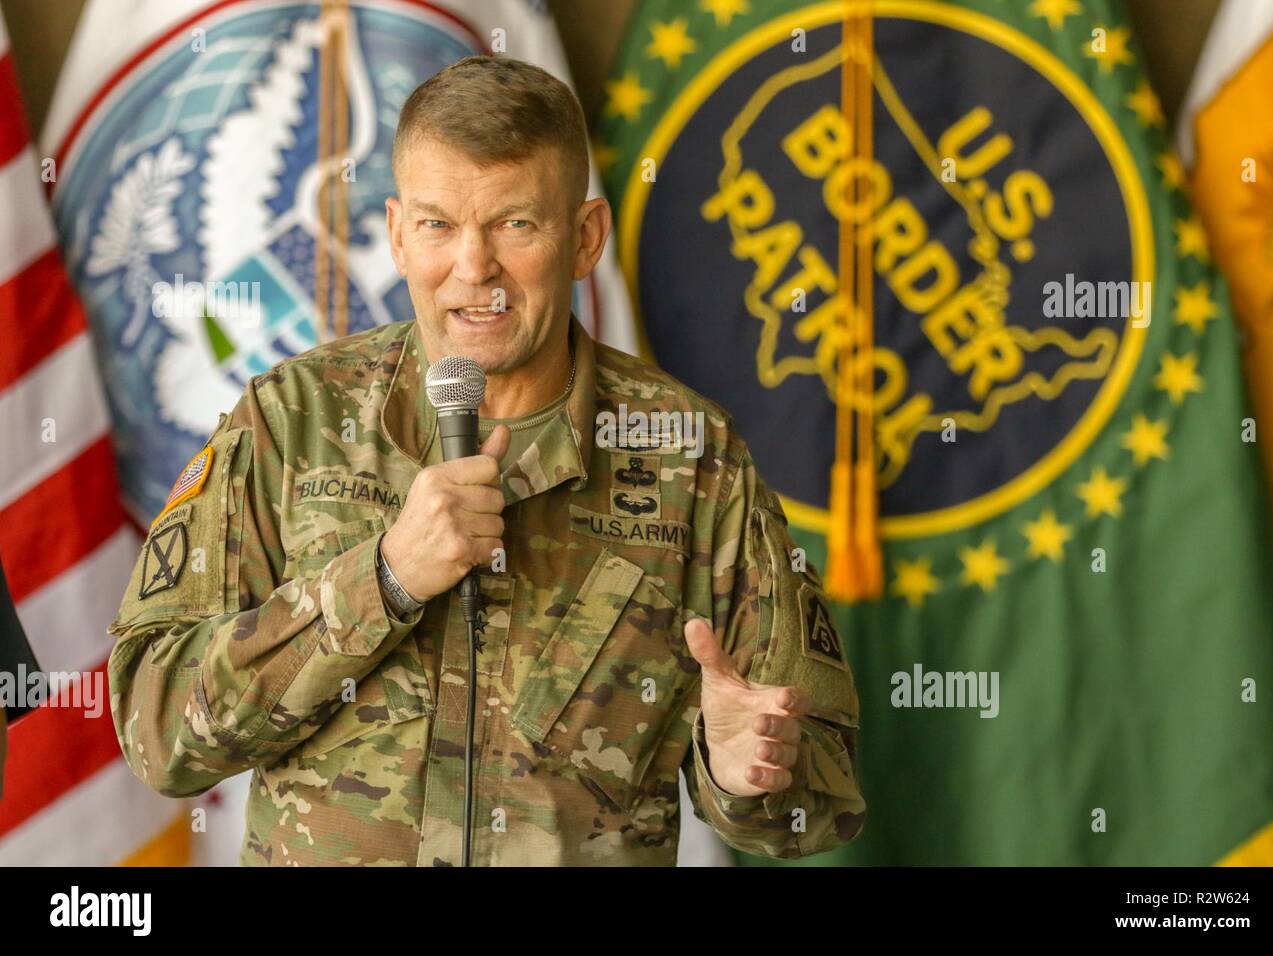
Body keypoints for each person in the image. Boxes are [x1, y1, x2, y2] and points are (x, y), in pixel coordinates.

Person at [106, 55, 865, 866]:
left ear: (584, 239)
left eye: (515, 224)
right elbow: (158, 733)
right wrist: (383, 580)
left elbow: (819, 805)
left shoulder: (693, 455)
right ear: (396, 234)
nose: (473, 269)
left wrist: (750, 774)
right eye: (437, 225)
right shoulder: (293, 418)